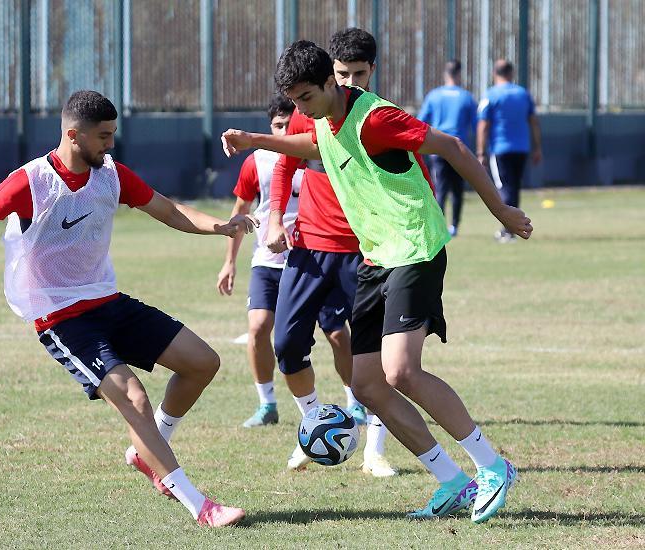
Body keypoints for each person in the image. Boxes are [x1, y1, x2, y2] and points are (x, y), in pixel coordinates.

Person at [0, 90, 255, 527]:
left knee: (202, 362)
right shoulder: (30, 181)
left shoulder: (111, 174)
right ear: (74, 135)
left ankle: (147, 450)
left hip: (108, 301)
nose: (111, 144)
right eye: (103, 136)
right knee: (133, 397)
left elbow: (168, 210)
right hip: (62, 317)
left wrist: (220, 226)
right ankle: (199, 506)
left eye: (113, 134)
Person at [220, 41, 533, 524]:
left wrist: (502, 210)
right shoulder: (323, 118)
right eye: (295, 101)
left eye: (306, 98)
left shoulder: (376, 119)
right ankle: (453, 481)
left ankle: (493, 466)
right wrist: (255, 140)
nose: (300, 109)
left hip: (414, 247)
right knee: (367, 384)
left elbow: (452, 146)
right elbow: (312, 145)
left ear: (331, 82)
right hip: (374, 257)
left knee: (401, 371)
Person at [266, 28, 395, 477]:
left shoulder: (378, 118)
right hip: (310, 249)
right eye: (344, 74)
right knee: (286, 344)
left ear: (372, 71)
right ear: (329, 75)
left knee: (373, 354)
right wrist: (274, 219)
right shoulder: (308, 115)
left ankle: (375, 450)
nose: (351, 82)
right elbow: (284, 166)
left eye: (359, 73)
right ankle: (314, 426)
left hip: (365, 252)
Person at [216, 95, 356, 432]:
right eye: (277, 126)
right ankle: (267, 404)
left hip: (313, 260)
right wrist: (229, 262)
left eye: (288, 125)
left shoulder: (320, 155)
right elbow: (240, 212)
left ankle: (356, 401)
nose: (283, 132)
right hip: (268, 262)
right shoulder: (258, 162)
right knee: (258, 328)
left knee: (338, 334)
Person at [477, 59, 542, 243]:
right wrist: (538, 148)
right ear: (511, 73)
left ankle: (508, 230)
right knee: (513, 188)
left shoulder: (491, 94)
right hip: (522, 149)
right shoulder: (523, 93)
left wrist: (481, 152)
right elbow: (534, 122)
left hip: (500, 149)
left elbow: (483, 125)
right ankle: (515, 227)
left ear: (494, 74)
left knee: (503, 188)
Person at [418, 59, 477, 237]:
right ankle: (455, 226)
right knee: (457, 189)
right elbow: (476, 125)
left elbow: (420, 121)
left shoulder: (434, 96)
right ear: (459, 74)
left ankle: (439, 225)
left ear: (446, 74)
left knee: (439, 188)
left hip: (437, 149)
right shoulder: (466, 97)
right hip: (458, 149)